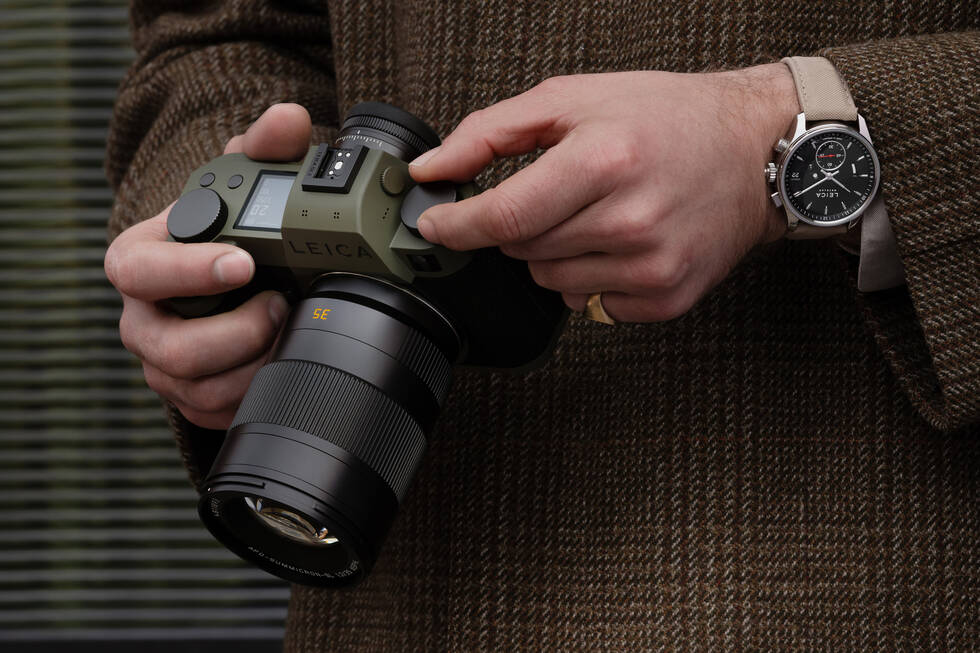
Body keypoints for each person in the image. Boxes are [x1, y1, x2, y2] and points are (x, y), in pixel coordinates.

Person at [103, 2, 979, 650]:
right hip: (398, 592)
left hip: (838, 573)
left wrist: (787, 134)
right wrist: (215, 236)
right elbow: (216, 37)